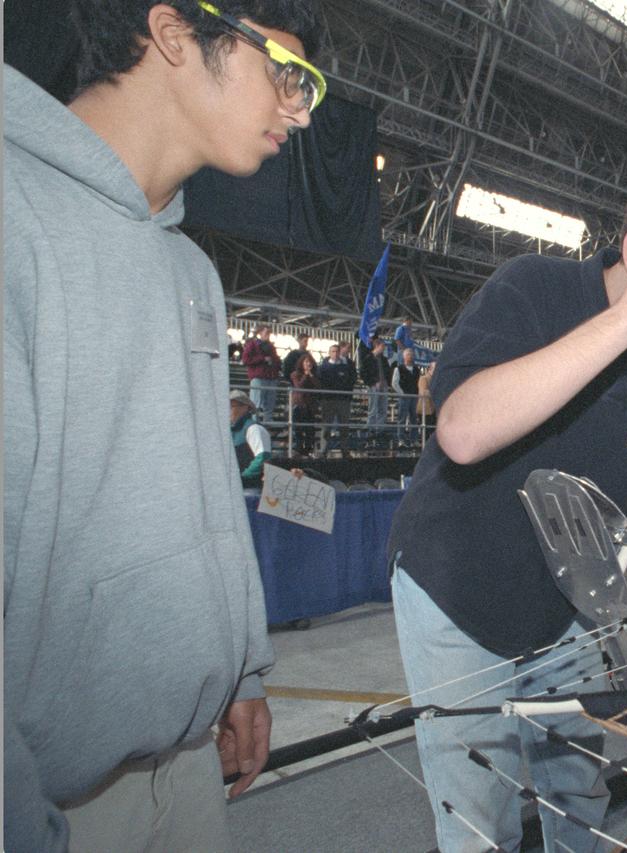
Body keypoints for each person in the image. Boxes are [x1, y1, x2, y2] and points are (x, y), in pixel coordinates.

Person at [4, 1, 323, 849]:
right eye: (284, 74)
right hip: (48, 792)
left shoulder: (190, 270)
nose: (297, 110)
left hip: (183, 765)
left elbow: (207, 487)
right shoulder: (13, 216)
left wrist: (240, 666)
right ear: (176, 34)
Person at [387, 158, 627, 852]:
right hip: (456, 590)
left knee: (579, 796)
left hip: (571, 604)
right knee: (479, 819)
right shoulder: (532, 287)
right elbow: (461, 432)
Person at [318, 341, 357, 454]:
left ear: (340, 353)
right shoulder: (323, 368)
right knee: (326, 427)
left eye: (337, 351)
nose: (335, 354)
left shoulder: (346, 367)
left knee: (344, 426)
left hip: (343, 400)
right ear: (329, 353)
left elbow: (351, 380)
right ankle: (323, 451)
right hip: (328, 400)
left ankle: (345, 450)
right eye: (333, 351)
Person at [231, 390, 274, 487]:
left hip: (251, 488)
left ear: (245, 407)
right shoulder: (231, 431)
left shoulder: (254, 429)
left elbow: (263, 458)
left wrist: (242, 478)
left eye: (231, 406)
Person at [242, 324, 283, 420]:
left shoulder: (270, 346)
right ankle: (255, 421)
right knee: (257, 403)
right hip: (260, 377)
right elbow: (245, 360)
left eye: (269, 333)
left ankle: (266, 421)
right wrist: (262, 359)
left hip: (269, 377)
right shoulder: (252, 344)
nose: (268, 335)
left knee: (269, 403)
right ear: (260, 333)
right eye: (267, 332)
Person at [359, 336, 393, 448]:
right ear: (377, 346)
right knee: (373, 409)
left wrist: (387, 382)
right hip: (374, 387)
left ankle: (380, 430)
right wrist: (373, 382)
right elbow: (363, 373)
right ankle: (371, 430)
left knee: (383, 408)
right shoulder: (368, 358)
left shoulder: (383, 359)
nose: (383, 349)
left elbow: (388, 372)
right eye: (382, 346)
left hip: (384, 386)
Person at [390, 345, 422, 448]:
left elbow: (418, 382)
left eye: (411, 354)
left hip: (414, 396)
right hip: (404, 396)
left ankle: (414, 440)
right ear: (404, 357)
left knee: (414, 419)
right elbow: (394, 383)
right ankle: (401, 439)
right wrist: (401, 393)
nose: (410, 356)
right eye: (408, 354)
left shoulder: (417, 370)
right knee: (402, 418)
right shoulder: (398, 369)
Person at [290, 351, 321, 455]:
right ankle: (298, 447)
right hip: (299, 404)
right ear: (302, 363)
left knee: (310, 428)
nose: (308, 364)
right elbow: (299, 386)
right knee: (298, 427)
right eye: (306, 362)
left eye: (310, 362)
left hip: (310, 405)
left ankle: (308, 448)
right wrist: (305, 375)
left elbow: (318, 387)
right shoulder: (295, 374)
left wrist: (311, 376)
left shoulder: (314, 375)